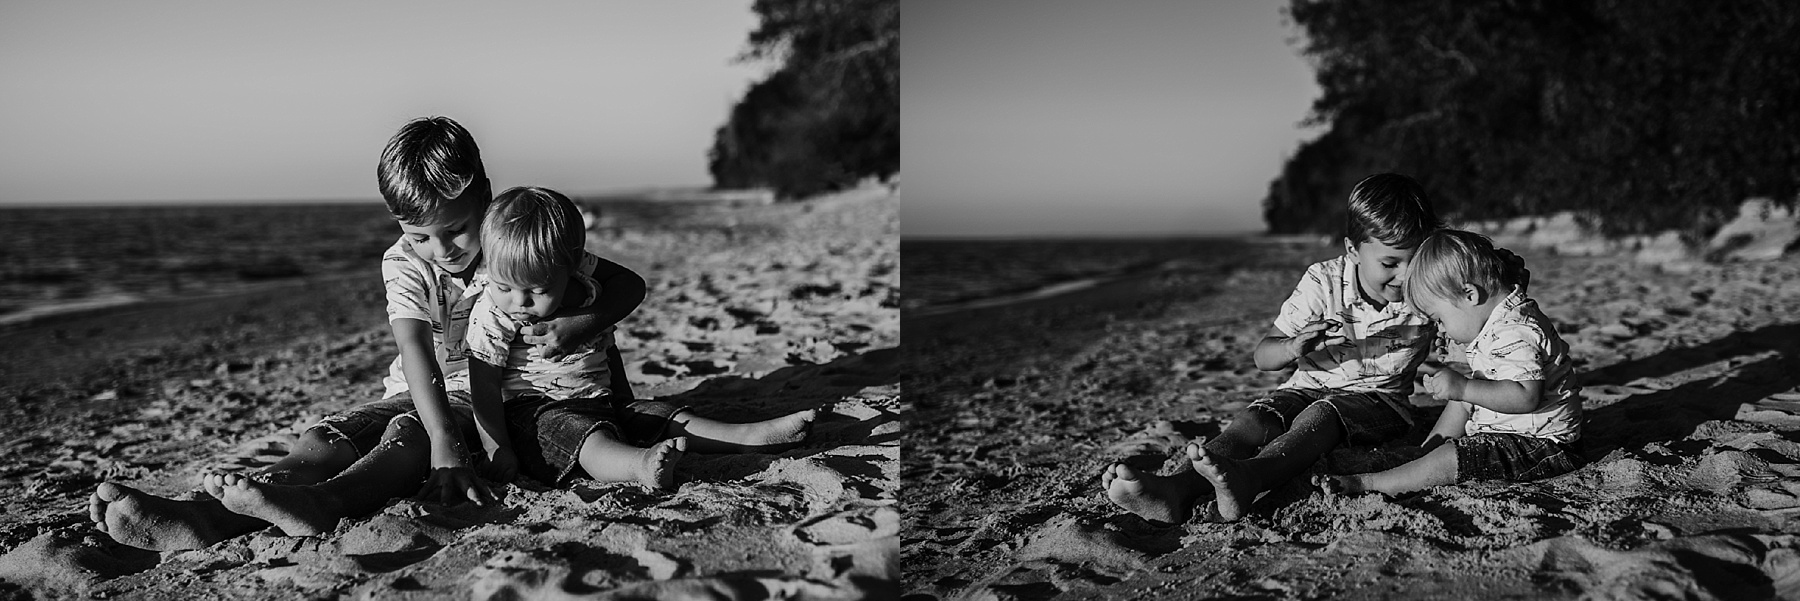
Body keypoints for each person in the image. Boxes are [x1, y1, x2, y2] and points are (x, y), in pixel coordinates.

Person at [88, 116, 643, 548]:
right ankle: (207, 514)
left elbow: (620, 285)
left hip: (489, 397)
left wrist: (579, 324)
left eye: (455, 230)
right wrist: (445, 442)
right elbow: (414, 348)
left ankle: (327, 504)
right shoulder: (404, 263)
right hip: (418, 386)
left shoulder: (511, 248)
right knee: (324, 439)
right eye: (419, 234)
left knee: (407, 437)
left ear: (485, 196)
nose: (441, 251)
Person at [1102, 173, 1446, 524]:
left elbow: (1468, 324)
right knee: (1256, 419)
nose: (1405, 276)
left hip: (1381, 402)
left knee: (1320, 416)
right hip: (1305, 386)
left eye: (1414, 260)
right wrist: (1293, 346)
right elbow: (1263, 356)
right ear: (1353, 250)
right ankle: (1175, 490)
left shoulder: (1429, 285)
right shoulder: (1323, 281)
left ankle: (1251, 477)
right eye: (1390, 264)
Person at [463, 186, 817, 491]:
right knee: (586, 438)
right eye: (503, 286)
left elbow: (607, 347)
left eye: (536, 290)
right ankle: (639, 466)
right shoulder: (492, 314)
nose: (519, 302)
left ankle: (745, 437)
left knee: (663, 415)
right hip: (534, 413)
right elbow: (484, 385)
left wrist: (625, 404)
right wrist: (497, 448)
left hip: (600, 400)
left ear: (571, 266)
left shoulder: (588, 292)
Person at [1318, 229, 1580, 495]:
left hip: (1542, 447)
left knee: (1453, 453)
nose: (1441, 329)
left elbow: (1526, 396)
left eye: (1440, 319)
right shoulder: (1500, 318)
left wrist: (1464, 388)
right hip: (1517, 434)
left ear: (1470, 295)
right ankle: (1425, 453)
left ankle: (1370, 484)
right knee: (1462, 401)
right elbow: (1501, 363)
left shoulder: (1515, 330)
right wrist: (1463, 368)